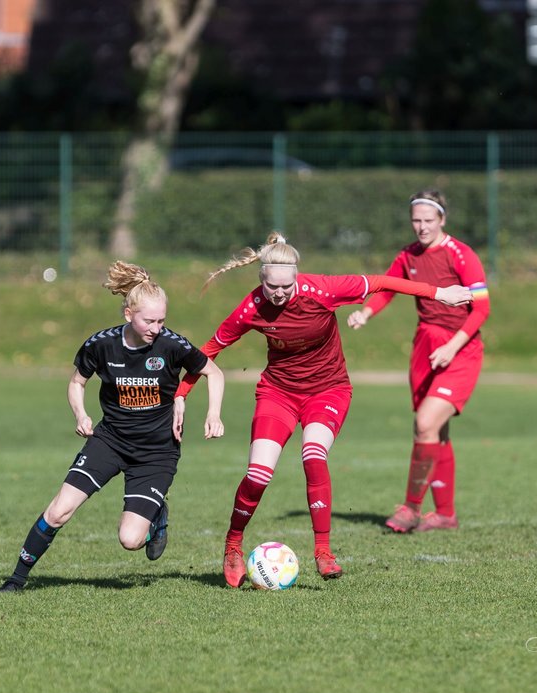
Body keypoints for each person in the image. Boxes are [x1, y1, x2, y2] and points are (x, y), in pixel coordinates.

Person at [174, 231, 473, 588]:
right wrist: (181, 395)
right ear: (261, 280)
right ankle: (233, 543)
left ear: (297, 277)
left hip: (328, 390)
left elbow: (380, 282)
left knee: (313, 455)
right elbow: (208, 351)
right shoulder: (251, 307)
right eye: (273, 287)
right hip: (278, 394)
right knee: (258, 474)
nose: (280, 293)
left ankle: (323, 551)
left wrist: (440, 293)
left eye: (287, 285)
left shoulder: (323, 290)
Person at [0, 261, 225, 592]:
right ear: (128, 314)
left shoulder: (172, 345)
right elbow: (77, 383)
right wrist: (81, 414)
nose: (157, 328)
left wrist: (213, 414)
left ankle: (157, 515)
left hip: (156, 452)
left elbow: (213, 372)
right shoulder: (101, 344)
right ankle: (16, 580)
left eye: (162, 320)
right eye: (149, 320)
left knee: (130, 540)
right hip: (110, 441)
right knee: (60, 510)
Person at [347, 188, 491, 534]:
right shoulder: (408, 255)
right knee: (435, 431)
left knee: (425, 423)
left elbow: (482, 308)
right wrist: (366, 312)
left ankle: (412, 508)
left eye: (429, 220)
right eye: (416, 220)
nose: (422, 227)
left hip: (460, 349)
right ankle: (445, 515)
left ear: (442, 219)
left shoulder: (461, 254)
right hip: (425, 347)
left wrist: (453, 347)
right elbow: (387, 288)